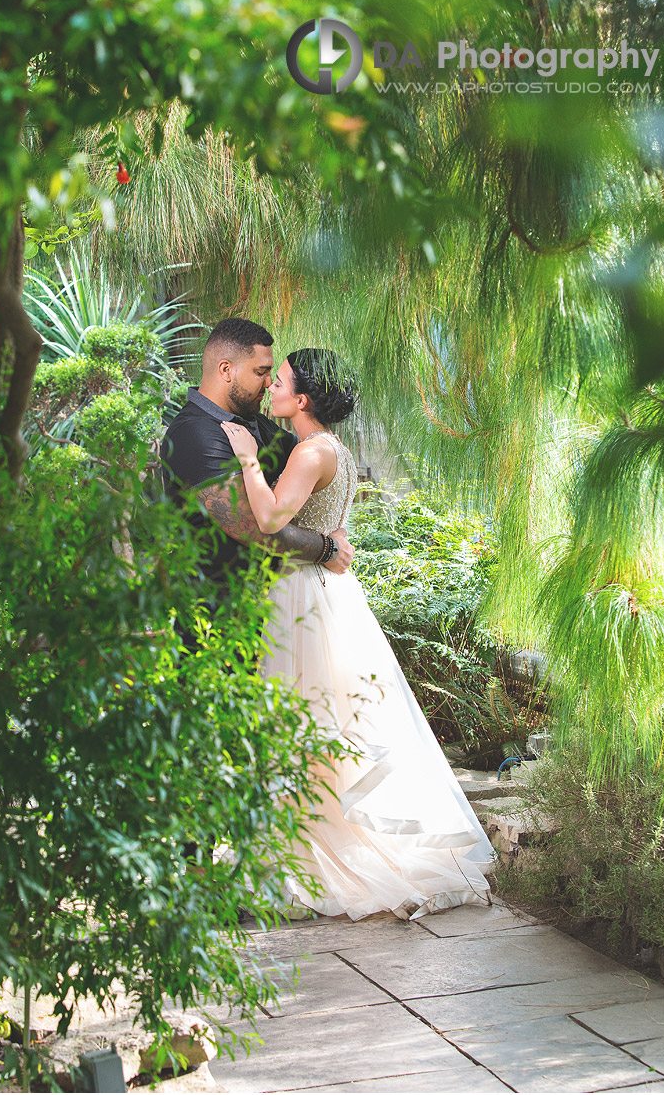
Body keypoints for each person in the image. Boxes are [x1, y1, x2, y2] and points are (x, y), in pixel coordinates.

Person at [222, 348, 495, 921]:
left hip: (299, 593)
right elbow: (335, 529)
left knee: (300, 718)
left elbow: (271, 521)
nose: (271, 387)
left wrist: (248, 459)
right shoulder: (339, 453)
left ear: (301, 401)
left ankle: (299, 855)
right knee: (324, 723)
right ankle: (302, 844)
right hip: (329, 591)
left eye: (283, 382)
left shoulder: (309, 450)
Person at [160, 319, 354, 581]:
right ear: (226, 370)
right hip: (213, 611)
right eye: (260, 372)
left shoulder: (255, 421)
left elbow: (309, 470)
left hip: (270, 602)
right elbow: (255, 529)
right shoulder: (194, 434)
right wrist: (329, 549)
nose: (267, 384)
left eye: (272, 375)